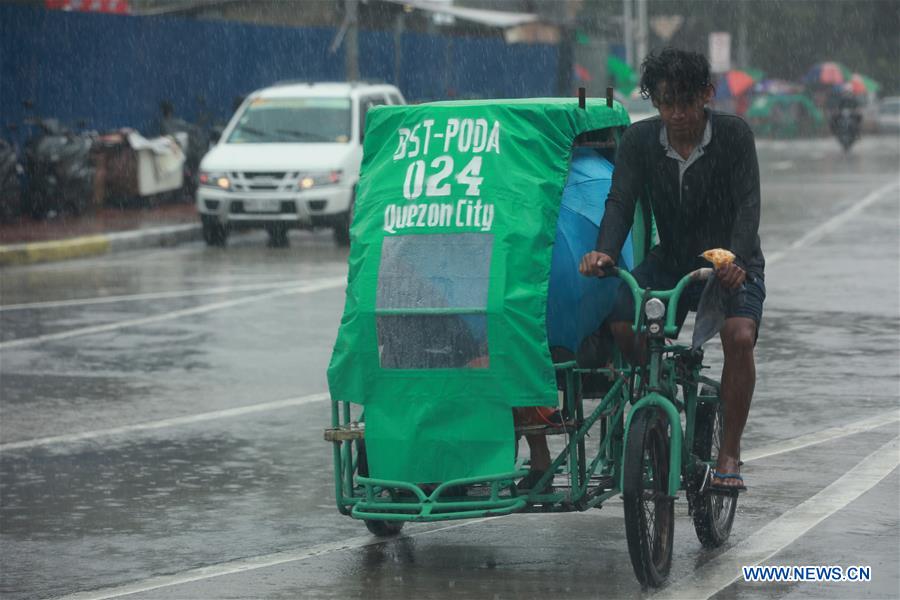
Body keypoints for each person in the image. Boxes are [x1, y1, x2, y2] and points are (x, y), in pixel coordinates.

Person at [579, 48, 766, 492]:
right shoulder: (639, 142)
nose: (677, 114)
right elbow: (620, 202)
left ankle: (729, 453)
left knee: (740, 337)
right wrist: (603, 252)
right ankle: (658, 393)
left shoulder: (735, 136)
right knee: (623, 320)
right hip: (673, 259)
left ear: (706, 95)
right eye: (666, 103)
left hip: (730, 262)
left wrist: (737, 260)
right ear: (654, 101)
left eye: (686, 102)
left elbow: (748, 205)